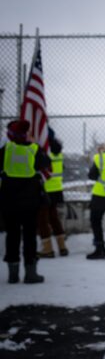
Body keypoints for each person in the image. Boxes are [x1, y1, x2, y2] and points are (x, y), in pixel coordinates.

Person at [1, 120, 50, 283]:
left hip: (9, 200)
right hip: (31, 201)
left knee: (12, 235)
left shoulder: (6, 149)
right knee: (29, 236)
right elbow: (46, 164)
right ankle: (30, 273)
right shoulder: (34, 149)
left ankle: (13, 274)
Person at [37, 129, 68, 258]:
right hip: (57, 189)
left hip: (45, 190)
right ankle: (62, 247)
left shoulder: (44, 152)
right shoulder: (58, 152)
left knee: (42, 220)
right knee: (54, 218)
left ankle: (47, 249)